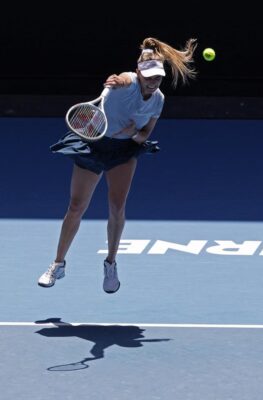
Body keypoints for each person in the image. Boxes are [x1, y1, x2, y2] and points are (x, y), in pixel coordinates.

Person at [38, 37, 197, 293]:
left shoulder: (159, 99)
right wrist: (116, 79)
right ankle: (58, 263)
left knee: (117, 206)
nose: (153, 81)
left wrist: (135, 133)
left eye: (157, 77)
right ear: (138, 73)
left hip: (123, 149)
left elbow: (145, 134)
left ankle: (110, 264)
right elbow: (119, 78)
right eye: (148, 76)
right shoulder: (126, 82)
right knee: (77, 206)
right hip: (94, 145)